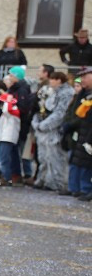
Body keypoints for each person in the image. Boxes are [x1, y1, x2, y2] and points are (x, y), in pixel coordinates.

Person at [32, 71, 75, 193]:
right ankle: (46, 180)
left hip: (55, 131)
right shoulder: (53, 93)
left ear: (59, 80)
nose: (50, 81)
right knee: (45, 157)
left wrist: (44, 125)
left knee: (57, 158)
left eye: (52, 79)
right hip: (45, 129)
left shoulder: (66, 93)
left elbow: (60, 113)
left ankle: (59, 183)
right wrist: (37, 123)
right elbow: (44, 109)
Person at [63, 67, 92, 200]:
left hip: (87, 132)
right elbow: (76, 112)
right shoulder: (83, 94)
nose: (82, 80)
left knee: (85, 162)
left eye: (85, 77)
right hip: (80, 132)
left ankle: (85, 189)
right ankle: (75, 187)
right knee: (77, 160)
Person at [0, 88, 21, 186]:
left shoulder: (12, 111)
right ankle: (7, 177)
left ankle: (6, 178)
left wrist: (8, 100)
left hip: (7, 138)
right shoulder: (12, 112)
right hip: (6, 137)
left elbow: (7, 110)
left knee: (3, 160)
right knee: (6, 159)